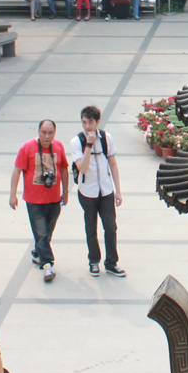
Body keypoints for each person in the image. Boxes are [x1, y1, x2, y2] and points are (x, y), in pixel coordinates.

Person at [9, 119, 70, 283]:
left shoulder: (58, 146)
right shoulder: (27, 147)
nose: (47, 136)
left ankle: (37, 253)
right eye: (44, 132)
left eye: (50, 133)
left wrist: (65, 191)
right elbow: (17, 171)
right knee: (41, 233)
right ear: (38, 132)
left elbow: (64, 168)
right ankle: (47, 265)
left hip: (54, 198)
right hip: (34, 200)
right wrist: (13, 194)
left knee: (47, 233)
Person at [68, 105, 124, 276]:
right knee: (91, 227)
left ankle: (111, 262)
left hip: (106, 191)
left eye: (90, 122)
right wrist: (89, 146)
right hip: (87, 192)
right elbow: (83, 168)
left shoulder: (107, 138)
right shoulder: (76, 142)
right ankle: (93, 261)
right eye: (84, 122)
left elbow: (113, 164)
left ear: (98, 122)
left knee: (110, 227)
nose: (87, 126)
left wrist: (118, 190)